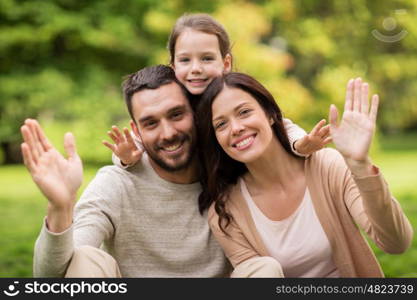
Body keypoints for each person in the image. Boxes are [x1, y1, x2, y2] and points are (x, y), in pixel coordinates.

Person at [21, 65, 233, 277]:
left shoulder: (231, 176)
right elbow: (51, 279)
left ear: (196, 113)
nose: (167, 133)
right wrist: (60, 207)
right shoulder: (116, 184)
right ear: (136, 131)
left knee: (263, 267)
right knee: (85, 258)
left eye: (176, 115)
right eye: (151, 123)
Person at [194, 73, 413, 277]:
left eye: (244, 112)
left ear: (271, 115)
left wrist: (361, 165)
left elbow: (396, 243)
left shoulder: (327, 167)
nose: (236, 128)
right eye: (221, 124)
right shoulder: (225, 212)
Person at [103, 13, 331, 170]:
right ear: (174, 66)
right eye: (185, 60)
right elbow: (143, 136)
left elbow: (281, 124)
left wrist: (300, 144)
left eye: (207, 58)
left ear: (226, 63)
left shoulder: (235, 93)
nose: (195, 69)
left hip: (239, 173)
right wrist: (124, 158)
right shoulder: (178, 102)